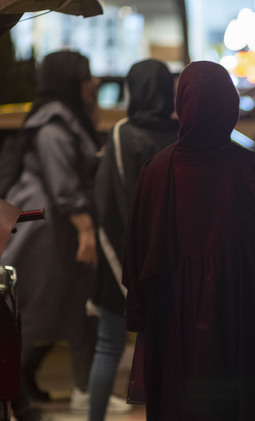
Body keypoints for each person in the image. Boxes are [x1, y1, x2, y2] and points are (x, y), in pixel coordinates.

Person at [122, 60, 255, 421]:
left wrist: (141, 314)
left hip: (172, 329)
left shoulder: (156, 172)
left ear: (181, 103)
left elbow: (136, 260)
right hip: (238, 329)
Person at [0, 51, 99, 419]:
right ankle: (20, 393)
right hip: (45, 228)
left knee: (53, 306)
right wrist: (85, 228)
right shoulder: (54, 122)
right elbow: (62, 184)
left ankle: (24, 385)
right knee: (30, 307)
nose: (94, 83)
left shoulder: (66, 116)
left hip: (53, 227)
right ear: (71, 80)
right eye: (87, 76)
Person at [87, 59, 179, 421]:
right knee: (171, 353)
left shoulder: (122, 133)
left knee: (108, 347)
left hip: (123, 258)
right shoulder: (182, 133)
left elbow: (106, 199)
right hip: (172, 263)